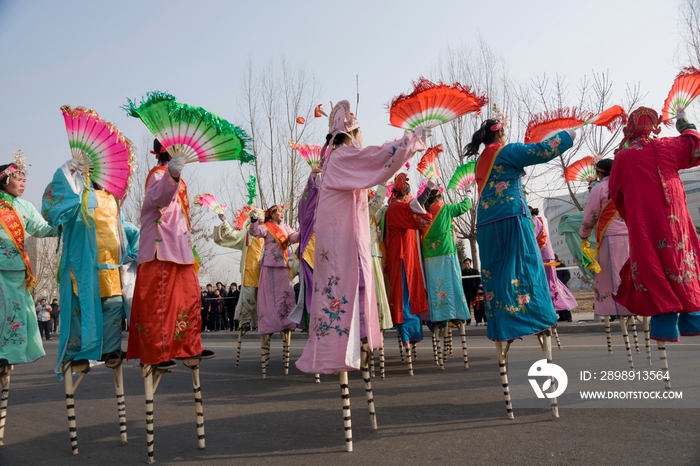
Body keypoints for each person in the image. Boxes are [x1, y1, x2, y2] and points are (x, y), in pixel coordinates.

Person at [296, 100, 431, 374]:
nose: (362, 138)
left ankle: (345, 348)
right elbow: (376, 157)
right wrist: (413, 139)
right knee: (349, 282)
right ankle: (349, 349)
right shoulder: (343, 156)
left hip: (339, 235)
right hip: (341, 237)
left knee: (342, 286)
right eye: (360, 132)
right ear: (353, 133)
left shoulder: (334, 159)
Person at [469, 118, 575, 342]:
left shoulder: (480, 161)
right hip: (511, 216)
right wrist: (567, 136)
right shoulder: (507, 151)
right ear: (500, 134)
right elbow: (542, 151)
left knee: (495, 273)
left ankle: (502, 327)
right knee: (528, 265)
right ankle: (538, 320)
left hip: (486, 222)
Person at [608, 107, 700, 341]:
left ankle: (664, 322)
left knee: (650, 258)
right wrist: (684, 124)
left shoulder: (623, 157)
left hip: (643, 217)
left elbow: (616, 193)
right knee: (681, 256)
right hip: (674, 214)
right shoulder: (668, 146)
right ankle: (692, 317)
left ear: (630, 127)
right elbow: (695, 146)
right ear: (654, 126)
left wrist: (630, 215)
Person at [42, 159, 140, 373]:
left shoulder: (112, 199)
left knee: (113, 305)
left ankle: (111, 350)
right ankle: (78, 352)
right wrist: (66, 172)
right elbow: (54, 211)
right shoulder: (78, 195)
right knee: (81, 308)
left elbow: (123, 227)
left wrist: (143, 243)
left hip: (112, 265)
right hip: (83, 265)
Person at [127, 139, 213, 368]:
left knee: (189, 299)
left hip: (180, 248)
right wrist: (173, 172)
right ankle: (157, 354)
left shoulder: (176, 178)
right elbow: (159, 199)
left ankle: (187, 347)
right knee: (159, 303)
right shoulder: (158, 175)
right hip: (160, 248)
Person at [0, 157, 56, 365]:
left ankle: (11, 353)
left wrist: (62, 226)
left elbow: (41, 228)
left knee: (16, 311)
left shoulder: (26, 206)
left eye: (25, 180)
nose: (23, 184)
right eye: (18, 179)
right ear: (5, 181)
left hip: (17, 269)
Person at [578, 159, 633, 320]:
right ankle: (636, 303)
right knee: (631, 270)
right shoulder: (627, 184)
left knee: (614, 273)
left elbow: (590, 215)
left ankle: (619, 308)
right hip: (632, 235)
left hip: (610, 236)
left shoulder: (599, 189)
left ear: (599, 172)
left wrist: (584, 234)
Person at [384, 173, 434, 347]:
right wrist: (429, 187)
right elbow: (416, 207)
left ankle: (417, 328)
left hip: (408, 256)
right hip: (402, 257)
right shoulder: (396, 208)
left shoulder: (396, 207)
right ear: (403, 193)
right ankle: (408, 332)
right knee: (405, 294)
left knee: (411, 292)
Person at [421, 188, 472, 325]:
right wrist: (468, 194)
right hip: (446, 251)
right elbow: (465, 206)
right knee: (453, 282)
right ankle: (456, 314)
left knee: (435, 285)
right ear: (438, 198)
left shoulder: (423, 212)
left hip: (429, 255)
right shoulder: (445, 208)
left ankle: (438, 316)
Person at [248, 205, 300, 335]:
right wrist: (254, 219)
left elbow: (293, 238)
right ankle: (269, 323)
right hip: (269, 265)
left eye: (282, 212)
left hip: (283, 264)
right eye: (279, 212)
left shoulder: (286, 227)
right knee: (270, 296)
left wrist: (304, 229)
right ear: (271, 215)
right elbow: (255, 232)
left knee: (286, 294)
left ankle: (287, 322)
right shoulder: (266, 227)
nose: (282, 214)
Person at [212, 212, 263, 332]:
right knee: (249, 299)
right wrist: (225, 221)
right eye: (255, 220)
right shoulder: (247, 235)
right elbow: (232, 235)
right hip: (249, 272)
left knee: (263, 300)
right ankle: (246, 322)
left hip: (264, 272)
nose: (258, 223)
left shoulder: (268, 235)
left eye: (260, 220)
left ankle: (261, 323)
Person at [530, 207, 578, 322]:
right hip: (544, 257)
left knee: (547, 286)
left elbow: (529, 240)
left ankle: (550, 313)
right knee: (551, 285)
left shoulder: (532, 221)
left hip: (543, 257)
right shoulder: (536, 220)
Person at [461, 258, 480, 325]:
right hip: (466, 292)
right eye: (465, 264)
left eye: (468, 263)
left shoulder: (475, 271)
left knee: (475, 306)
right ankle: (468, 321)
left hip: (474, 292)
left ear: (470, 264)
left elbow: (478, 281)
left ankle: (477, 320)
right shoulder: (462, 272)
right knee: (467, 306)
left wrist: (477, 289)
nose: (467, 265)